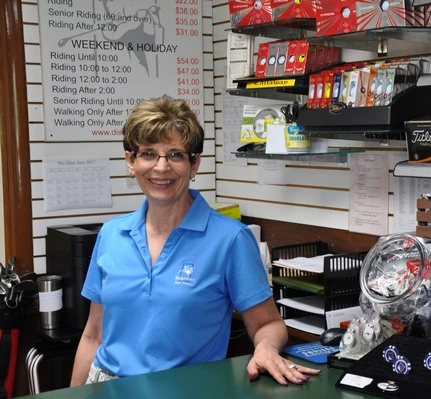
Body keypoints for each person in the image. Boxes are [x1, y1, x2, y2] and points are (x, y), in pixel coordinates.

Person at [70, 94, 320, 386]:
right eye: (148, 153)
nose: (161, 168)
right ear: (131, 161)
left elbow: (268, 323)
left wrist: (265, 347)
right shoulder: (111, 234)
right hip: (105, 388)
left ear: (194, 163)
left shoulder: (230, 239)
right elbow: (93, 335)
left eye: (175, 154)